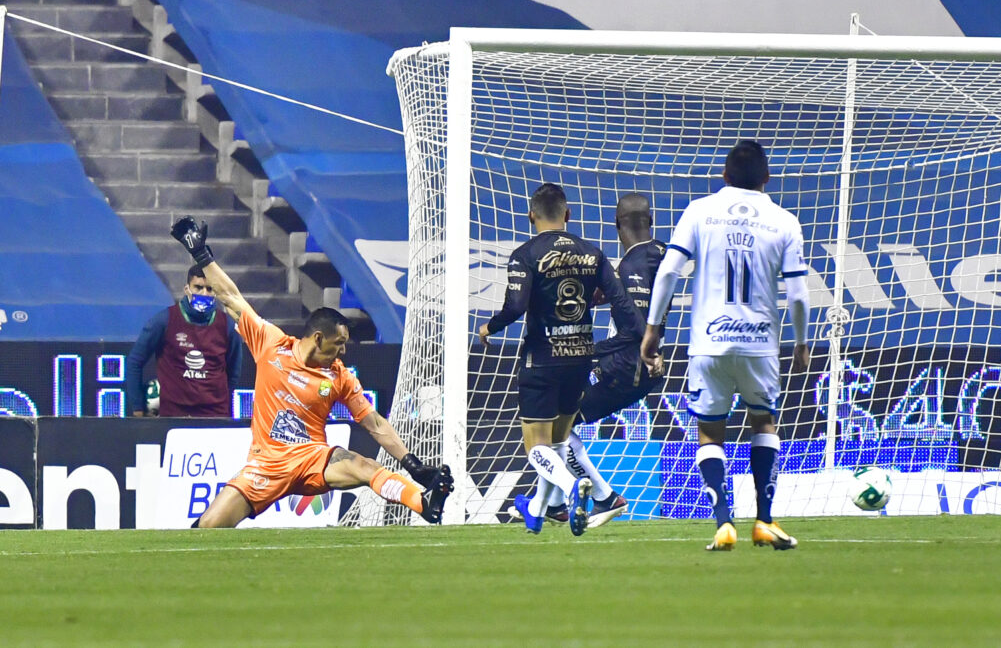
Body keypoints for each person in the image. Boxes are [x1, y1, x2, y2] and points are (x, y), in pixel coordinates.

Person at [170, 216, 452, 527]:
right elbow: (231, 298)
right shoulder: (272, 344)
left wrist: (412, 465)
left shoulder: (340, 375)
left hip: (312, 459)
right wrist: (202, 257)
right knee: (209, 527)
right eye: (339, 343)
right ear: (318, 338)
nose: (343, 351)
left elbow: (374, 423)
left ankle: (423, 502)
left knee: (364, 466)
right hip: (266, 464)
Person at [640, 140, 810, 551]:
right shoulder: (785, 221)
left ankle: (722, 524)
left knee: (709, 432)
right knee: (763, 424)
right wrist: (802, 344)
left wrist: (653, 329)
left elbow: (668, 273)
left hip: (710, 344)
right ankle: (765, 521)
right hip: (760, 347)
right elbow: (799, 295)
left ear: (724, 176)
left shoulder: (699, 211)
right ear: (767, 178)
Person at [478, 183, 645, 536]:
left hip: (542, 360)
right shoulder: (593, 253)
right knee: (557, 443)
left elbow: (516, 306)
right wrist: (628, 340)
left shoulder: (524, 255)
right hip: (581, 360)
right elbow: (623, 305)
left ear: (530, 216)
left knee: (537, 447)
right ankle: (538, 509)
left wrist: (490, 327)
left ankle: (572, 488)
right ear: (568, 215)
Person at [518, 193, 667, 529]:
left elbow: (635, 330)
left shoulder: (630, 266)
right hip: (640, 366)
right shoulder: (660, 255)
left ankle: (602, 496)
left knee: (558, 428)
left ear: (615, 225)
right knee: (558, 428)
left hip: (624, 365)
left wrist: (586, 351)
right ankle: (548, 506)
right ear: (652, 221)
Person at [127, 265, 243, 417]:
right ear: (187, 289)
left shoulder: (228, 326)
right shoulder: (164, 320)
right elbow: (134, 362)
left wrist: (223, 403)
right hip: (173, 416)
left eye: (210, 289)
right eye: (198, 287)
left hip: (215, 417)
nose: (204, 293)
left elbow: (233, 373)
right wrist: (137, 409)